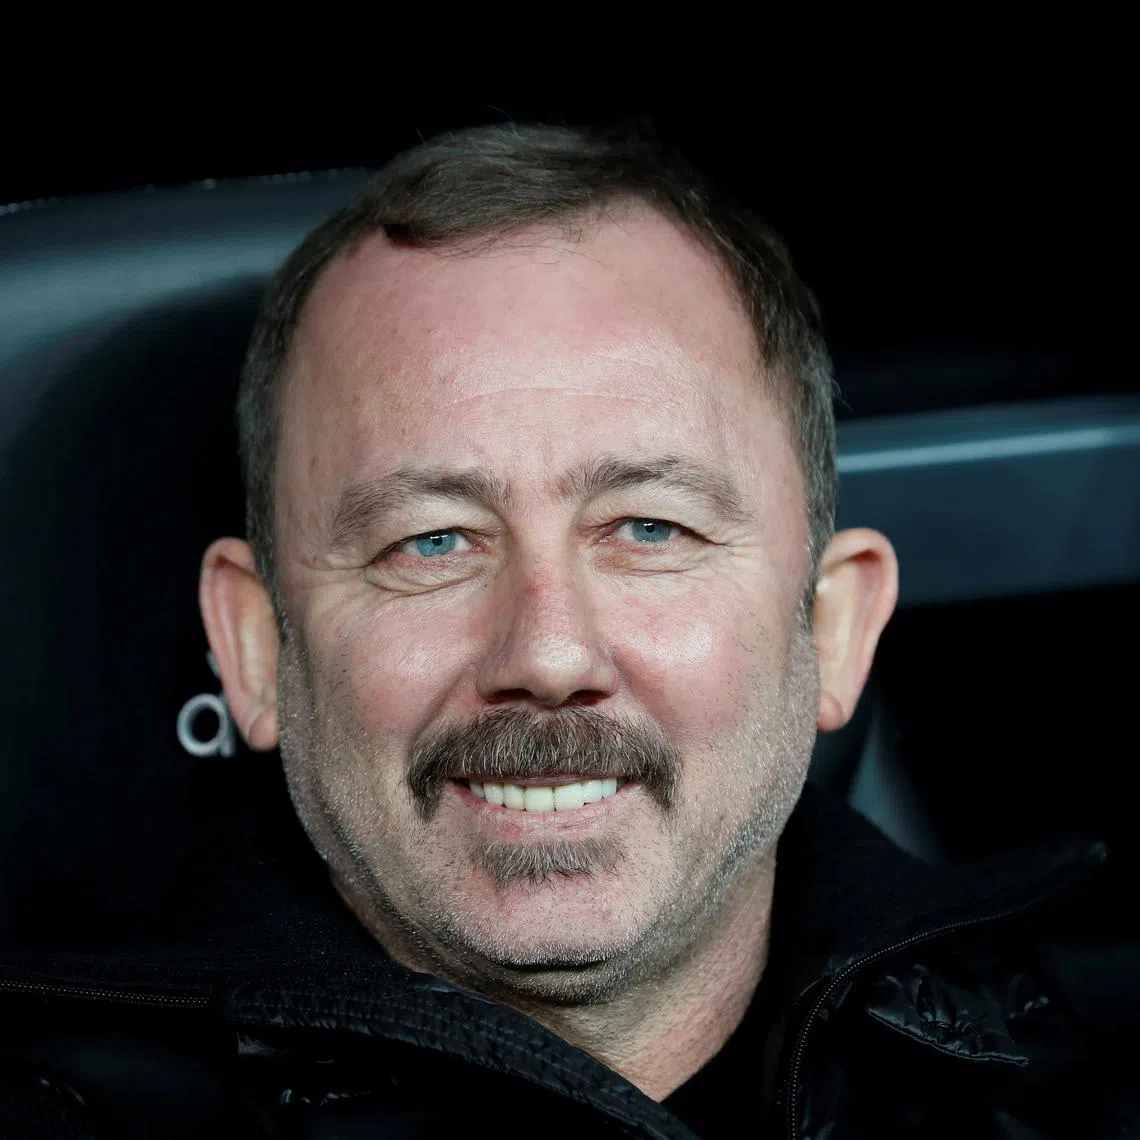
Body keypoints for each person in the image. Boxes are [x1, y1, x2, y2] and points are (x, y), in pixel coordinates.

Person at [2, 123, 1137, 1139]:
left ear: (833, 628)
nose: (547, 655)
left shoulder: (1058, 1071)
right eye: (432, 542)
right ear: (254, 648)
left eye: (648, 527)